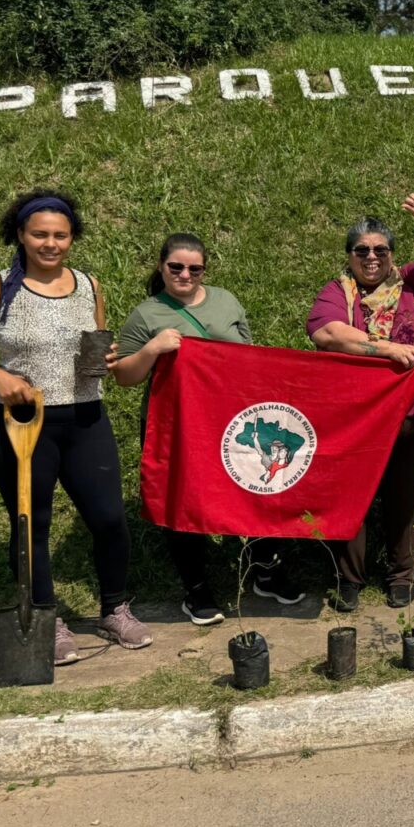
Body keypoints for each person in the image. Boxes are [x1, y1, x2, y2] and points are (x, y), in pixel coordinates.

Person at [0, 189, 151, 665]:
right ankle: (46, 616)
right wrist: (0, 377)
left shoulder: (88, 284)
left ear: (71, 239)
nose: (50, 244)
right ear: (20, 235)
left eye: (60, 235)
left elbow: (99, 350)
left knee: (108, 519)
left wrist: (107, 359)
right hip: (21, 423)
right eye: (39, 234)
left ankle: (114, 609)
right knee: (31, 525)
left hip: (85, 417)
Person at [112, 233, 304, 625]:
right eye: (176, 267)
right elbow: (124, 377)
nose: (185, 274)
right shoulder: (146, 315)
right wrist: (153, 349)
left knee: (253, 490)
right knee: (185, 501)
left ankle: (264, 569)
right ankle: (196, 588)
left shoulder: (225, 300)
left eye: (194, 268)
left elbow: (247, 356)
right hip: (179, 425)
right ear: (161, 266)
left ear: (205, 270)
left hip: (232, 421)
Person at [308, 192, 414, 612]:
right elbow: (328, 334)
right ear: (350, 255)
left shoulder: (408, 285)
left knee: (403, 493)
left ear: (392, 255)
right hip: (355, 416)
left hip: (411, 412)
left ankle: (400, 576)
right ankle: (348, 579)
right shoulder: (338, 291)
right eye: (362, 250)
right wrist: (385, 348)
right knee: (352, 492)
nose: (371, 257)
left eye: (380, 249)